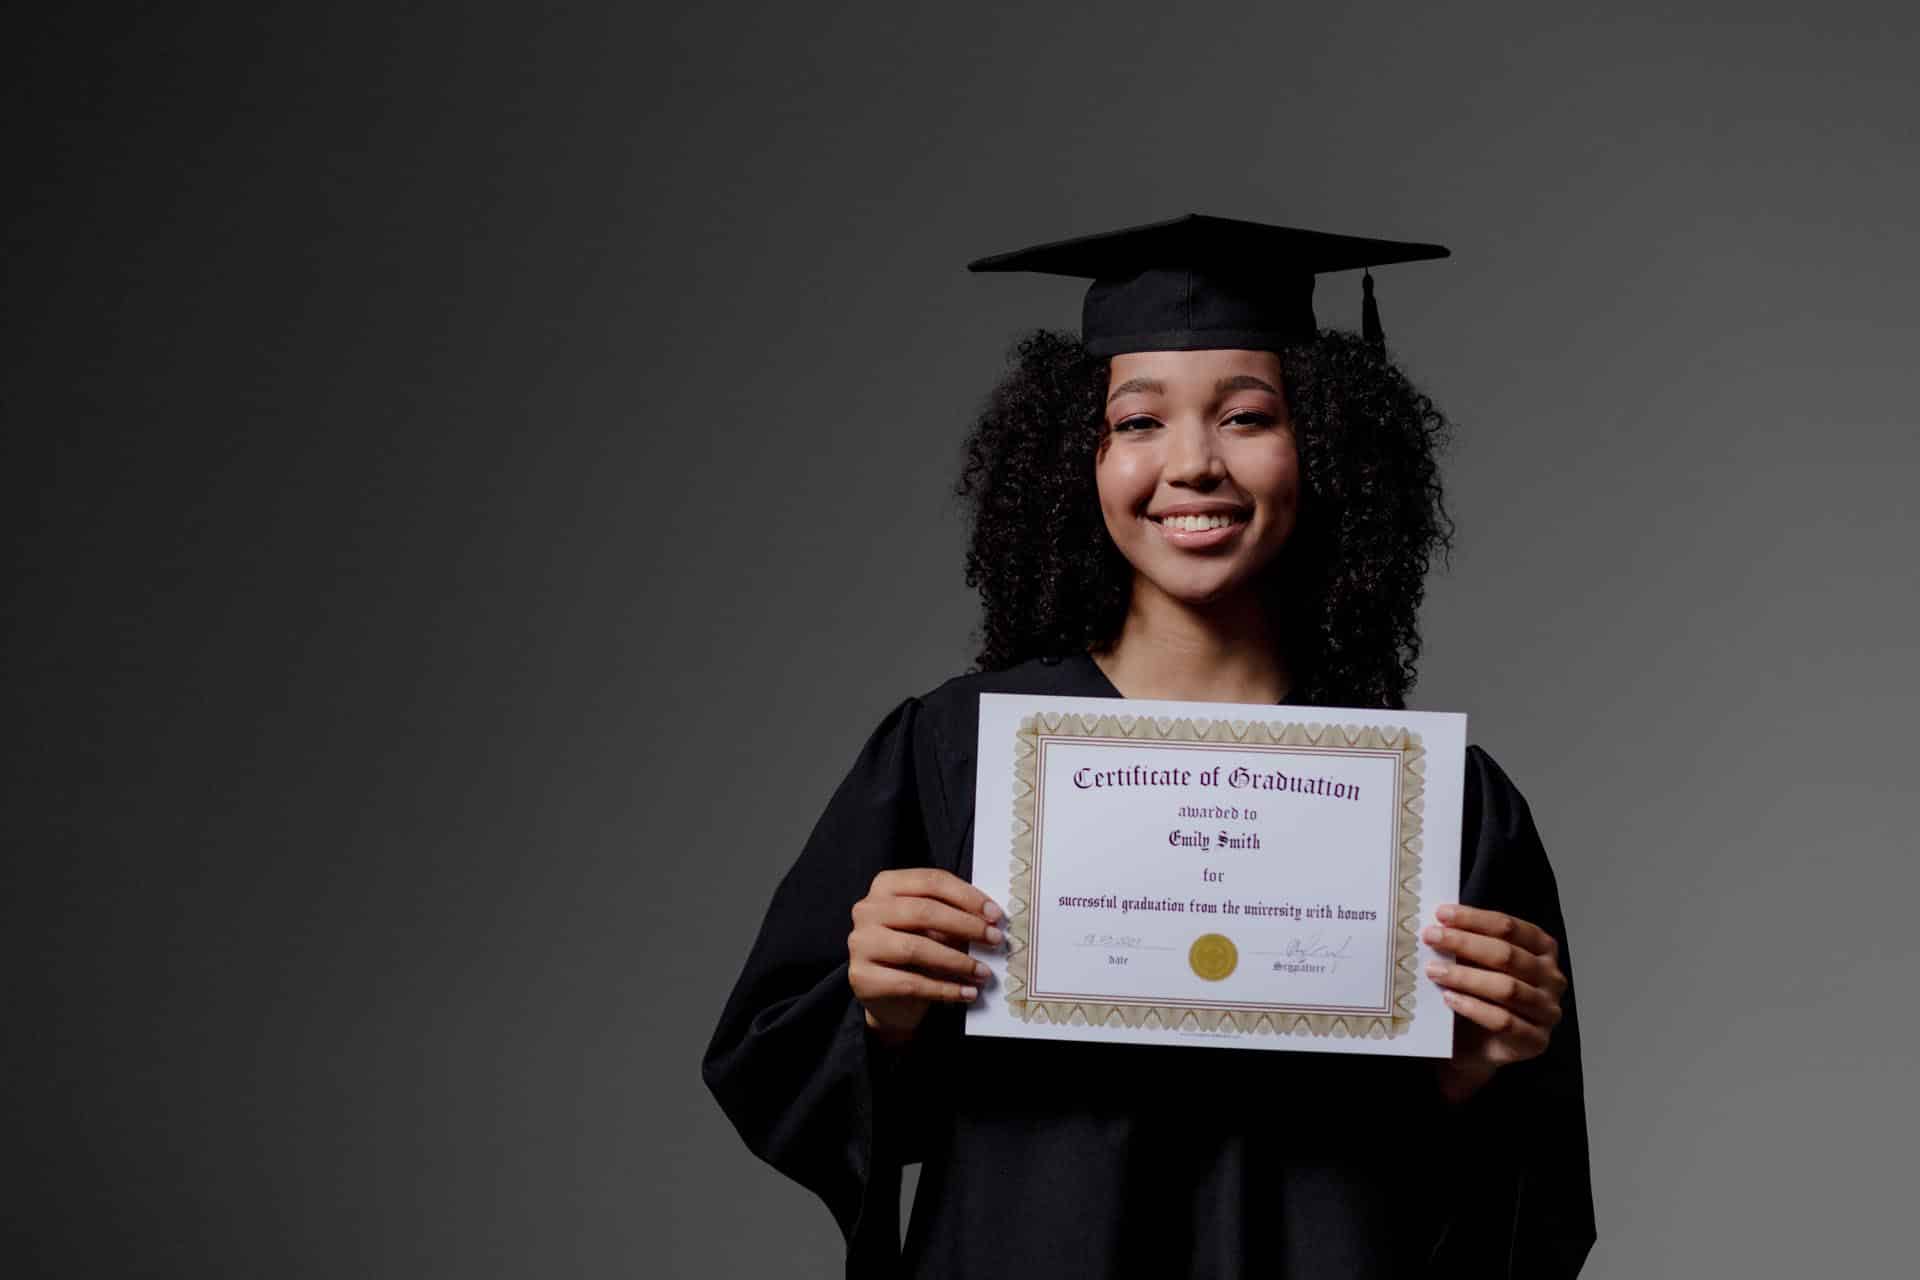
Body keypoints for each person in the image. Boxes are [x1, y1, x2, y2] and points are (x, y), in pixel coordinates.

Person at [702, 214, 1595, 1277]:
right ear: (1074, 456)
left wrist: (1474, 1078)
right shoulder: (956, 753)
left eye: (1248, 415)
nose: (1192, 464)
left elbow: (1524, 1213)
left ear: (1326, 444)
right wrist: (879, 1017)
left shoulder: (1433, 807)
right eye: (1136, 421)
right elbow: (782, 1073)